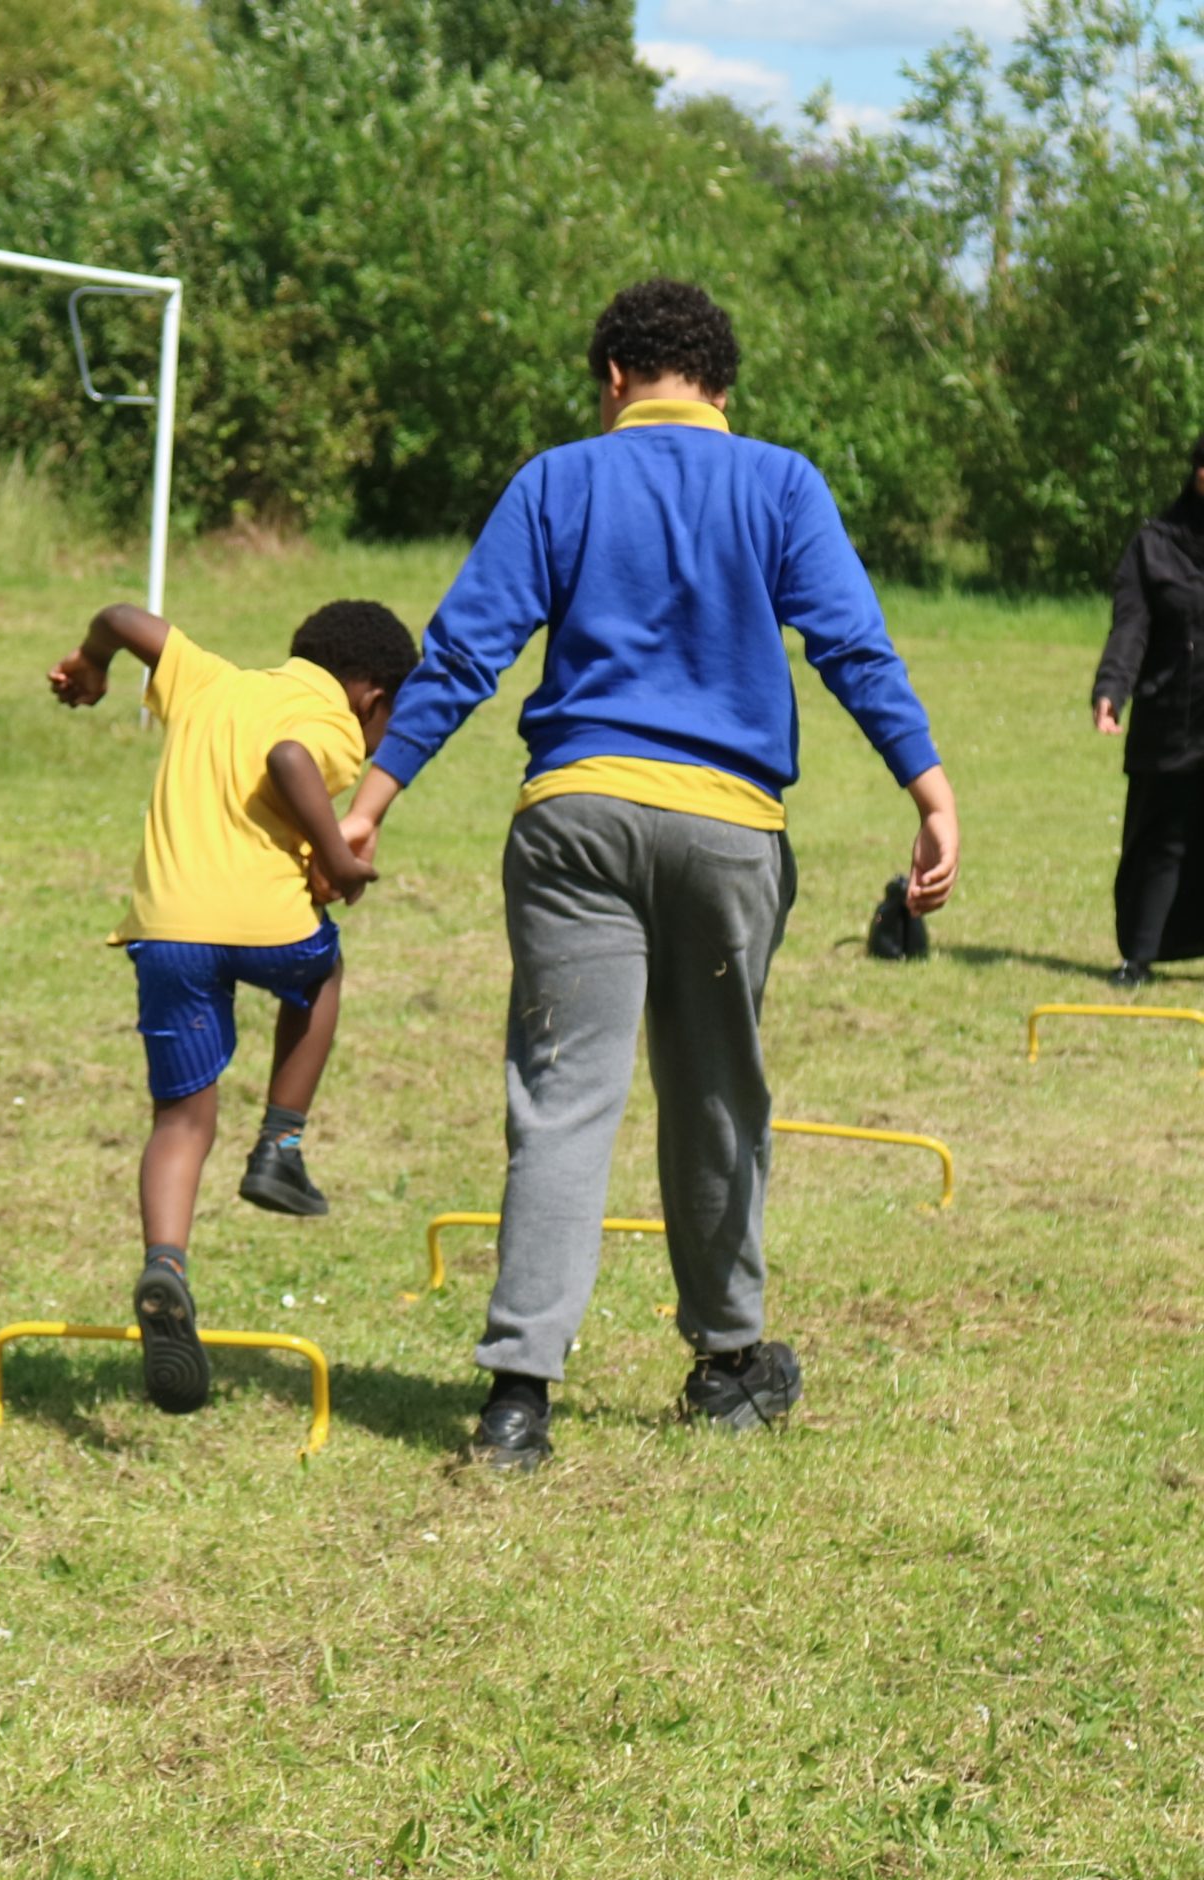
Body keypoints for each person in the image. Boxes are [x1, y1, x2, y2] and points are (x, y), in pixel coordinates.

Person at [329, 278, 960, 1472]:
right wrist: (926, 789)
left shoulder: (556, 481)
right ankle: (727, 1363)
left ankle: (517, 1399)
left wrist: (367, 804)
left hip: (573, 821)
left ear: (612, 378)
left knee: (562, 1097)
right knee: (716, 1094)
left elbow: (463, 651)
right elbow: (850, 646)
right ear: (720, 386)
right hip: (725, 831)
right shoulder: (780, 483)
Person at [47, 599, 418, 1412]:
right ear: (372, 697)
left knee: (181, 1119)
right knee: (321, 976)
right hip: (267, 928)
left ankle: (165, 1265)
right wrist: (335, 857)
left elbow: (121, 615)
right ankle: (280, 1146)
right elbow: (289, 759)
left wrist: (91, 662)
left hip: (168, 932)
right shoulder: (331, 719)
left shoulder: (210, 680)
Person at [1092, 430, 1204, 986]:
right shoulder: (1154, 546)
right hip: (1172, 719)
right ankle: (1138, 957)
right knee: (1159, 839)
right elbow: (1131, 627)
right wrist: (1112, 690)